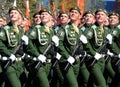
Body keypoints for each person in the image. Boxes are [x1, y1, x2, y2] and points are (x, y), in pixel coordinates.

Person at [24, 8, 59, 87]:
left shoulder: (52, 31)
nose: (43, 15)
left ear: (51, 18)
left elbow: (53, 49)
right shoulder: (37, 29)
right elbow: (28, 43)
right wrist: (37, 55)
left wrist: (56, 45)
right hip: (38, 63)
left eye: (46, 14)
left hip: (48, 64)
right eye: (42, 14)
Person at [56, 6, 87, 87]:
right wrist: (67, 56)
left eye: (75, 12)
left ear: (80, 16)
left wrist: (82, 50)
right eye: (71, 12)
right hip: (66, 61)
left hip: (76, 61)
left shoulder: (79, 30)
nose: (73, 13)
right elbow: (59, 43)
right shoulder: (64, 28)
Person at [0, 6, 27, 87]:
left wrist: (26, 43)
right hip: (9, 63)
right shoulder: (5, 29)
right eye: (11, 13)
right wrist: (9, 54)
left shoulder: (21, 30)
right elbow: (0, 44)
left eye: (15, 13)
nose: (13, 14)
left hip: (20, 63)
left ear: (19, 16)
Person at [83, 8, 110, 87]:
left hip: (102, 60)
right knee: (102, 84)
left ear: (105, 17)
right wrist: (93, 53)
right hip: (93, 60)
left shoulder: (105, 30)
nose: (100, 16)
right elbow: (85, 42)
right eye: (98, 14)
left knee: (93, 83)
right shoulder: (92, 29)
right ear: (95, 16)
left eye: (102, 15)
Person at [78, 10, 96, 87]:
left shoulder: (96, 29)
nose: (88, 18)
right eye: (86, 16)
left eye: (90, 16)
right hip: (83, 59)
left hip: (94, 58)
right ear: (84, 18)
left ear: (93, 19)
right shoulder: (80, 29)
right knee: (86, 80)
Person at [106, 12, 120, 87]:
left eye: (115, 18)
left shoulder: (118, 29)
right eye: (111, 17)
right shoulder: (105, 28)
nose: (112, 19)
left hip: (117, 56)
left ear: (118, 20)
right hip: (107, 57)